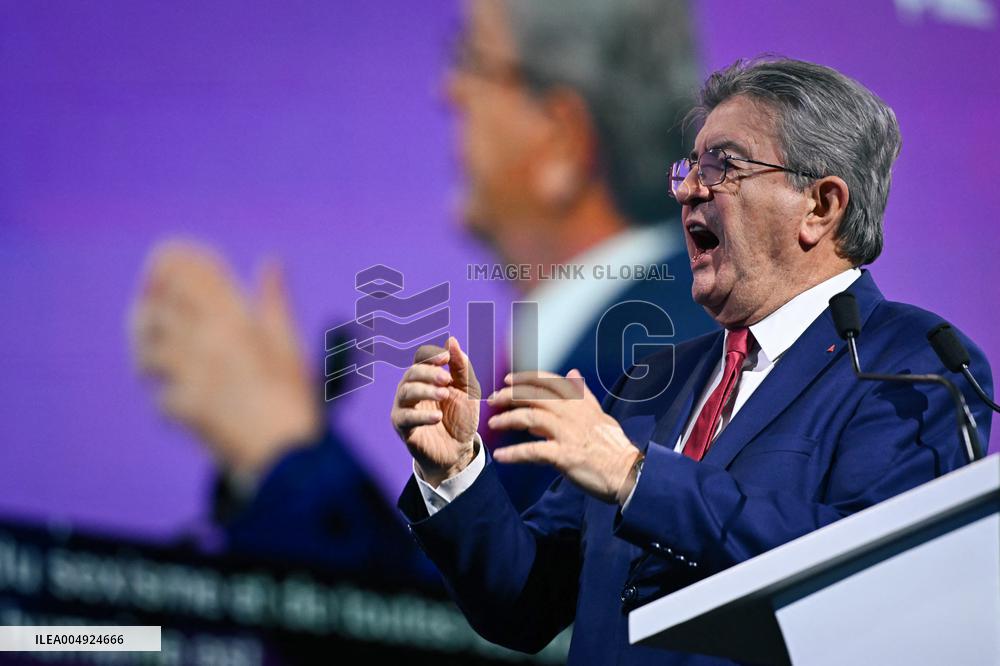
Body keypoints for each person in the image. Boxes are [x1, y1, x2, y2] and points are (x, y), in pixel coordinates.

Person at [391, 57, 994, 664]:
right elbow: (523, 603)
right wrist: (454, 472)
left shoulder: (910, 366)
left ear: (820, 205)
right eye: (688, 169)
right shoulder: (651, 380)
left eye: (723, 167)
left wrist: (635, 477)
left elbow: (872, 578)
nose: (686, 191)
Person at [130, 0, 713, 574]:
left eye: (473, 61)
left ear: (561, 142)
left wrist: (281, 456)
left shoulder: (650, 364)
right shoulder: (656, 334)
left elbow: (488, 613)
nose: (448, 91)